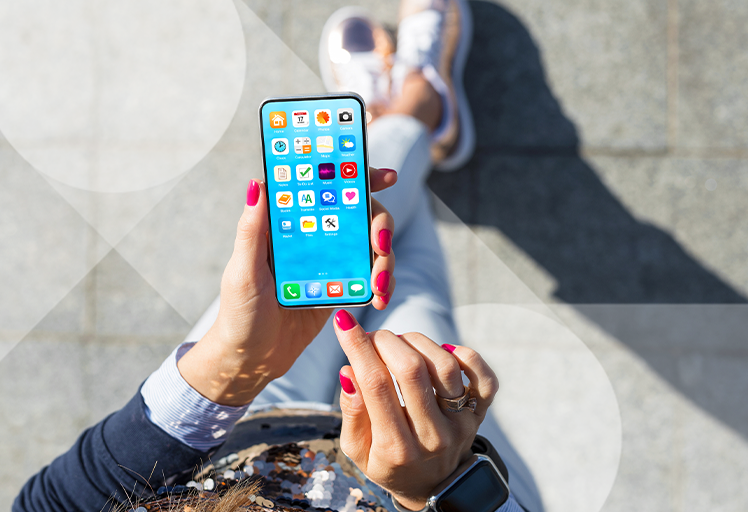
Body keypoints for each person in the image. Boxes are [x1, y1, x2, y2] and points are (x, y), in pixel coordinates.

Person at [14, 1, 543, 511]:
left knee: (369, 250)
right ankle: (411, 111)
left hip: (242, 426)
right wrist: (435, 487)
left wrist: (230, 367)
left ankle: (408, 114)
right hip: (420, 462)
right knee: (415, 305)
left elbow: (52, 505)